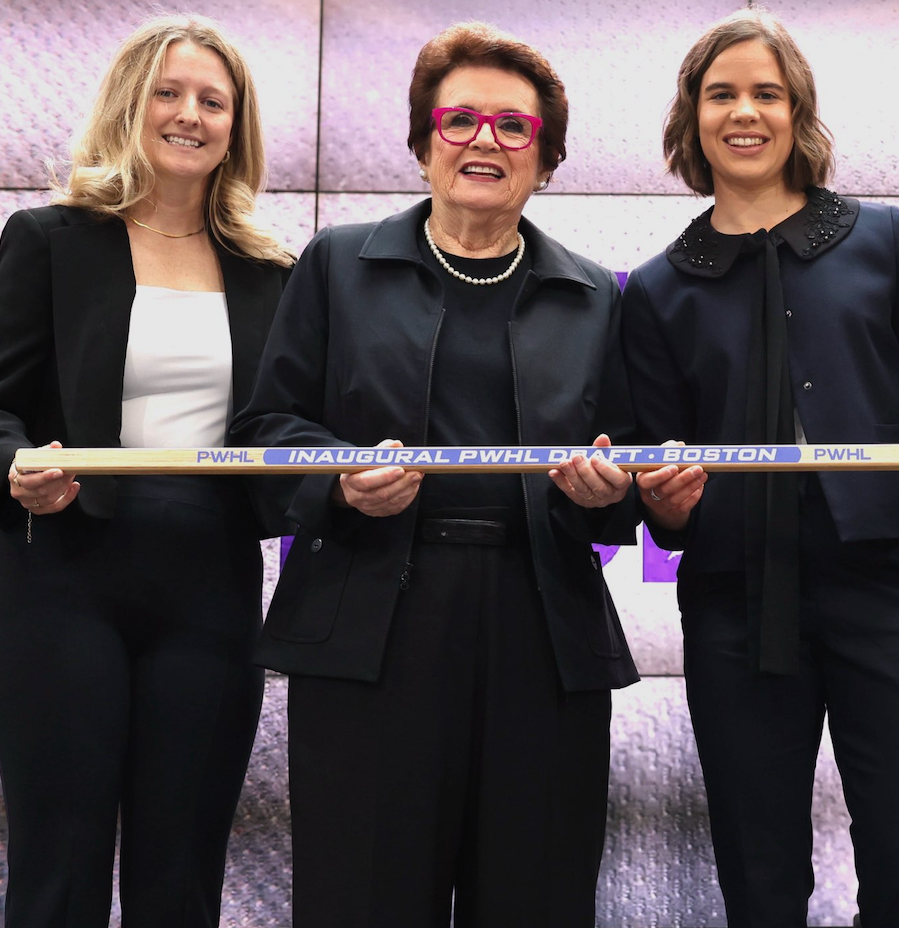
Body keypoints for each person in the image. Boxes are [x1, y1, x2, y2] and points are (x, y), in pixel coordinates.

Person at [228, 21, 637, 928]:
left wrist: (614, 488)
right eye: (459, 121)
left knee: (536, 896)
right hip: (370, 622)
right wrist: (337, 478)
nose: (484, 140)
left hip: (545, 628)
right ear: (422, 143)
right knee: (363, 896)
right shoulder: (337, 262)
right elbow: (263, 431)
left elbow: (631, 454)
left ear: (547, 156)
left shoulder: (594, 295)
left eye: (513, 127)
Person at [618, 10, 899, 926]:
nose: (744, 113)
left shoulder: (886, 240)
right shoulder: (659, 285)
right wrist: (664, 506)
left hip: (893, 589)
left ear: (798, 114)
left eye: (766, 94)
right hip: (733, 603)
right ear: (692, 118)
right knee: (759, 869)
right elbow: (652, 465)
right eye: (722, 95)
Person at [0, 15, 292, 927]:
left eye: (213, 101)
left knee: (183, 877)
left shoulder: (272, 272)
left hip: (211, 584)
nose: (189, 114)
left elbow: (287, 428)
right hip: (59, 576)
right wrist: (14, 468)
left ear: (235, 127)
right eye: (168, 93)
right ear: (130, 107)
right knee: (61, 869)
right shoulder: (50, 238)